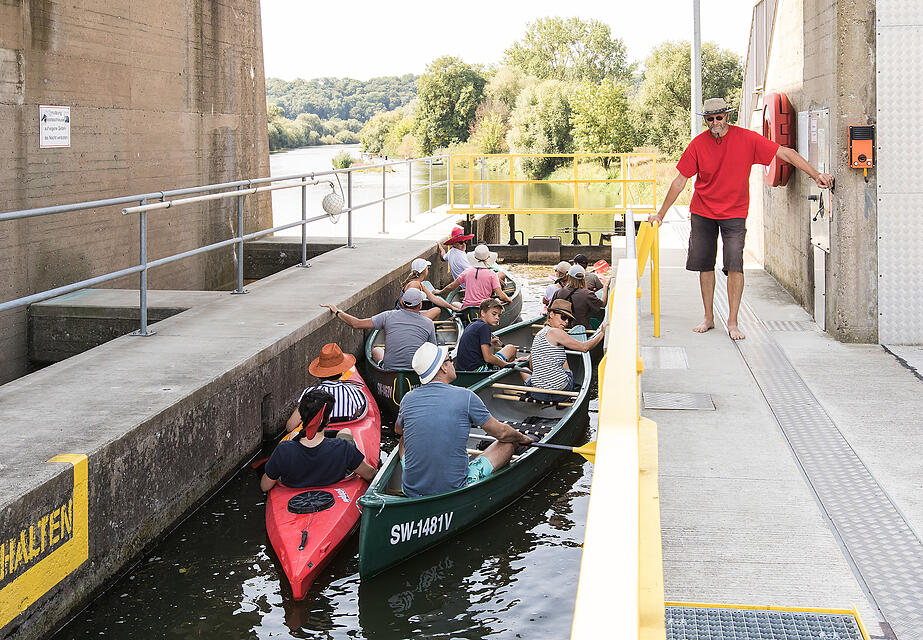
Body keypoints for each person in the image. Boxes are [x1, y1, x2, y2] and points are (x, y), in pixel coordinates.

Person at [647, 96, 834, 340]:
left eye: (719, 117)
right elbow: (680, 181)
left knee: (735, 264)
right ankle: (708, 317)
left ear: (727, 116)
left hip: (734, 213)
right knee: (705, 265)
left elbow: (785, 153)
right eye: (710, 119)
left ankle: (733, 321)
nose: (715, 123)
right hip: (703, 212)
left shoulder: (747, 139)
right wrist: (661, 214)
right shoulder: (698, 145)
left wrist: (816, 175)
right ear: (706, 120)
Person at [395, 342, 533, 497]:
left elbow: (399, 430)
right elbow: (502, 433)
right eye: (449, 360)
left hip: (411, 490)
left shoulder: (408, 398)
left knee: (403, 440)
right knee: (508, 443)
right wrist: (521, 438)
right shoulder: (466, 396)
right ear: (443, 367)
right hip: (454, 488)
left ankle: (414, 481)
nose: (453, 364)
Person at [261, 389, 376, 492]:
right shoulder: (344, 447)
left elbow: (265, 486)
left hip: (295, 494)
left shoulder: (283, 449)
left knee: (294, 435)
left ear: (301, 416)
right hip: (335, 489)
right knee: (345, 432)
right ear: (328, 419)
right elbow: (370, 474)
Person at [321, 288, 435, 370]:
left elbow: (356, 324)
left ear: (401, 302)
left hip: (390, 369)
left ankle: (381, 366)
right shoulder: (429, 323)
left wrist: (337, 311)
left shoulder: (387, 316)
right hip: (415, 370)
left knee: (376, 350)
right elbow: (433, 352)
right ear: (420, 305)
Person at [526, 299, 607, 401]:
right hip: (559, 393)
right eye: (563, 317)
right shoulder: (556, 332)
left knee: (527, 371)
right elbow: (585, 347)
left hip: (538, 394)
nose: (566, 322)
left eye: (569, 319)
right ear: (551, 314)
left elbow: (532, 367)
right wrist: (602, 333)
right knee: (563, 358)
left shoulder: (539, 334)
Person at [285, 343, 367, 431]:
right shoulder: (353, 391)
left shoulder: (309, 393)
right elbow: (356, 417)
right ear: (341, 371)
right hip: (344, 432)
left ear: (320, 372)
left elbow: (290, 427)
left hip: (316, 435)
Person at [436, 245, 511, 314]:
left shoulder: (467, 272)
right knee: (497, 301)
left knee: (454, 303)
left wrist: (440, 292)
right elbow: (501, 295)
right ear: (488, 258)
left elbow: (451, 287)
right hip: (484, 308)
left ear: (474, 258)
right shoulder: (492, 274)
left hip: (467, 308)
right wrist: (508, 299)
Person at [455, 299, 524, 372]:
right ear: (483, 313)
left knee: (509, 349)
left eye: (499, 315)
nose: (497, 317)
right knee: (511, 349)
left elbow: (474, 348)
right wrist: (506, 364)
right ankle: (509, 371)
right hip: (478, 371)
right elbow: (488, 358)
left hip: (463, 371)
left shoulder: (473, 324)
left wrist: (489, 343)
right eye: (494, 314)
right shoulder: (484, 327)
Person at [401, 257, 462, 321]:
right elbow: (403, 302)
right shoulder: (414, 284)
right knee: (437, 311)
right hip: (408, 315)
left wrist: (451, 307)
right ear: (424, 271)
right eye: (427, 268)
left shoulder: (419, 284)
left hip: (411, 313)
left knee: (437, 310)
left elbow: (434, 299)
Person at [552, 264, 610, 330]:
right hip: (582, 329)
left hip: (563, 328)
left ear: (568, 277)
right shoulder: (588, 294)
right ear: (584, 278)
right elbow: (603, 304)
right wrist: (606, 287)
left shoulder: (558, 292)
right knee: (595, 322)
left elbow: (551, 309)